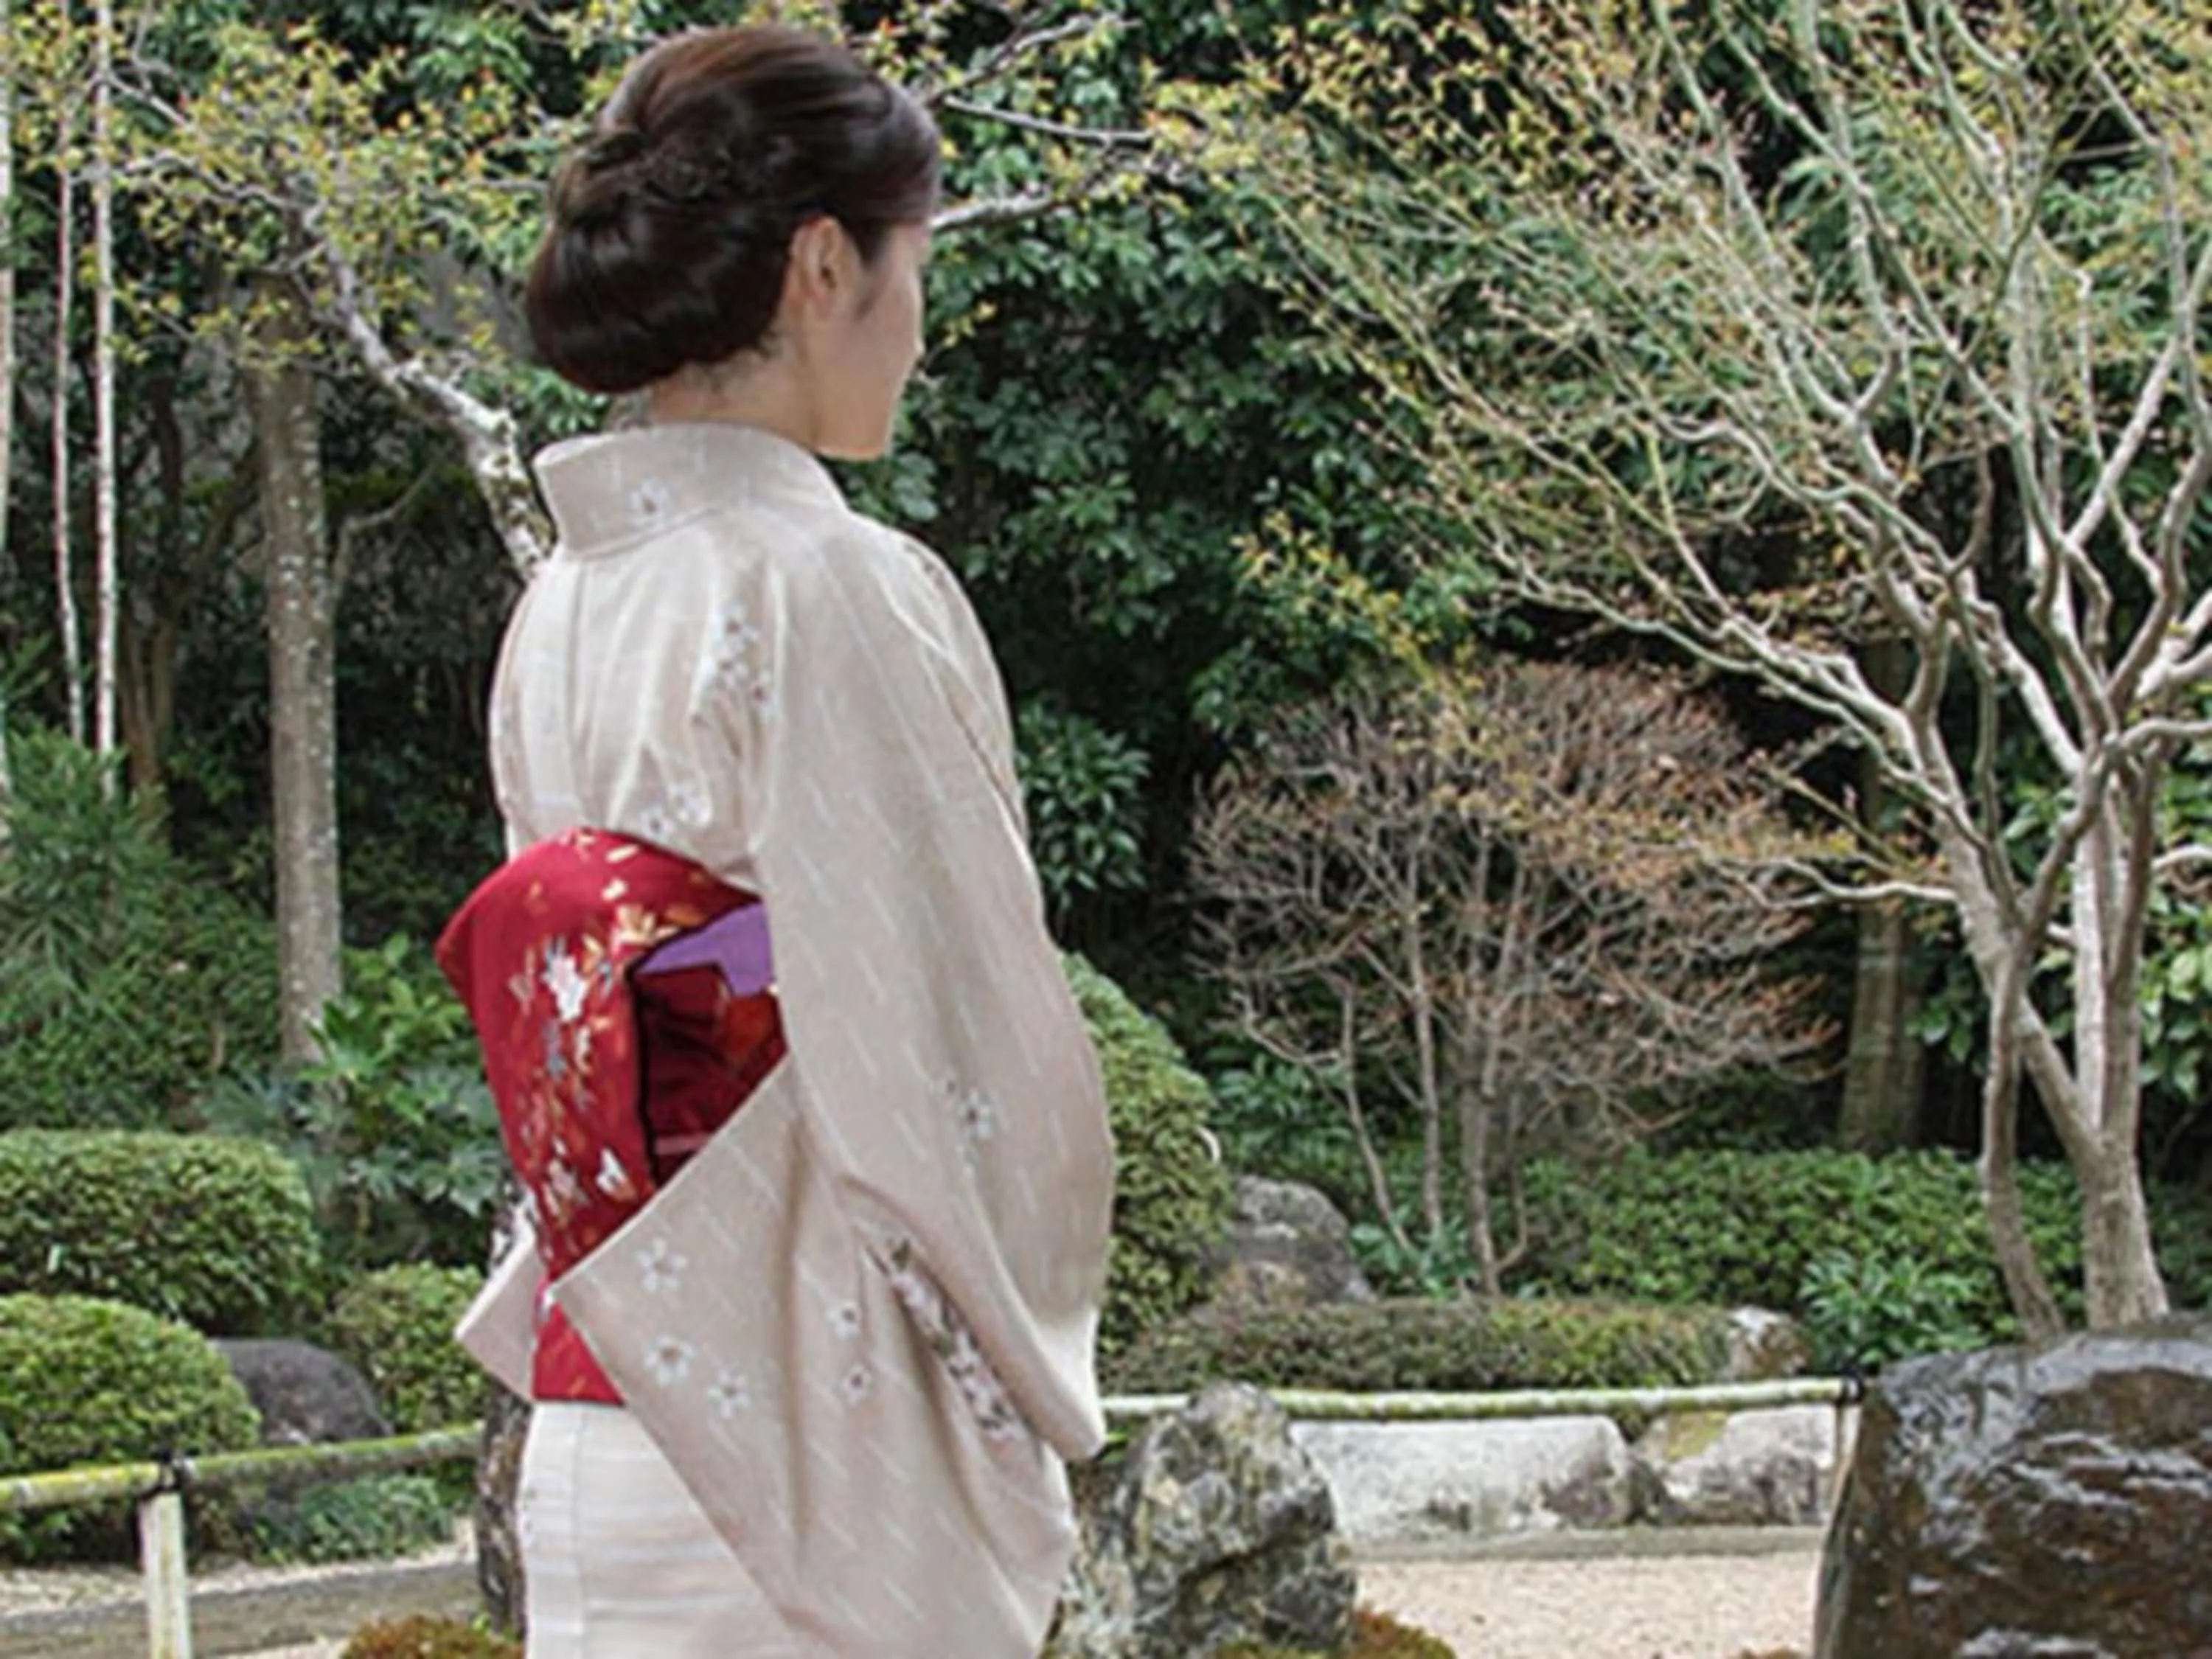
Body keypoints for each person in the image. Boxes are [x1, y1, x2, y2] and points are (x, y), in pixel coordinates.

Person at [433, 24, 1117, 1659]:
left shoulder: (565, 602)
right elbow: (946, 1046)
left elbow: (691, 1022)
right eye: (913, 265)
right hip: (812, 1432)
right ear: (826, 263)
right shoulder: (830, 586)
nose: (920, 325)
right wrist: (1026, 1381)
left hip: (611, 1406)